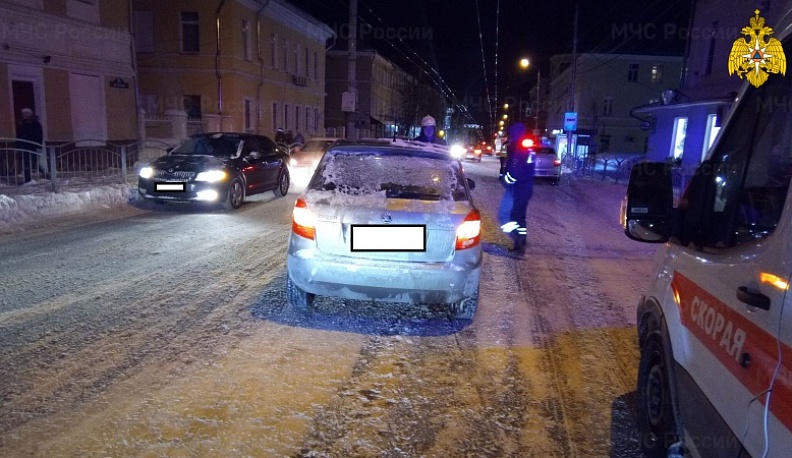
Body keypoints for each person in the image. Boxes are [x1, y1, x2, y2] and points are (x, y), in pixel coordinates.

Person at [498, 122, 535, 255]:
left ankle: (518, 242)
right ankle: (520, 243)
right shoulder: (526, 148)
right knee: (519, 217)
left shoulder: (519, 149)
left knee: (505, 216)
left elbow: (515, 172)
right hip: (524, 188)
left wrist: (505, 180)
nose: (510, 138)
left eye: (511, 135)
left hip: (517, 189)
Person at [16, 108, 44, 184]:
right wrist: (18, 146)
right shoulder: (21, 123)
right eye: (23, 113)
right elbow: (18, 135)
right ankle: (27, 180)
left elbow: (39, 135)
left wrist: (39, 146)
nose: (24, 115)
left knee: (35, 163)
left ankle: (45, 174)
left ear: (30, 114)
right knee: (26, 163)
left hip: (33, 145)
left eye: (26, 113)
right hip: (24, 146)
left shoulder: (35, 123)